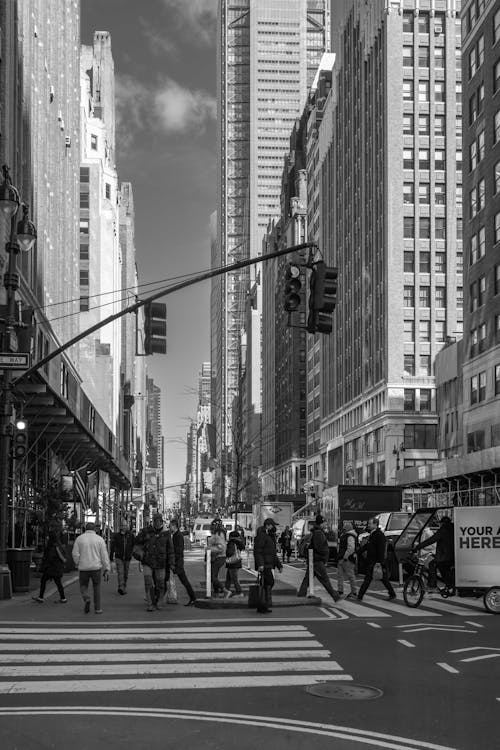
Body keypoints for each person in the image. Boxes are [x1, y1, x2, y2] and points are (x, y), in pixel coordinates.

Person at [135, 513, 175, 611]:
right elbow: (137, 543)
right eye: (154, 521)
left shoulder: (166, 534)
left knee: (160, 583)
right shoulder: (146, 531)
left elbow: (170, 549)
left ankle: (159, 601)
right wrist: (140, 555)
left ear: (161, 522)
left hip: (161, 562)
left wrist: (172, 563)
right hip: (147, 561)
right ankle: (150, 603)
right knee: (148, 582)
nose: (156, 523)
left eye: (158, 521)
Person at [297, 516, 340, 603]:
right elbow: (319, 547)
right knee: (325, 579)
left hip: (314, 559)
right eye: (325, 523)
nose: (326, 524)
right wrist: (325, 555)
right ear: (321, 523)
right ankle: (335, 596)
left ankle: (301, 595)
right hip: (317, 560)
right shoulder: (319, 533)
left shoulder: (316, 532)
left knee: (307, 579)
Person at [72, 521, 111, 614]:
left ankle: (86, 598)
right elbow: (104, 555)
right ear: (95, 529)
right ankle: (98, 608)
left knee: (83, 585)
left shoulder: (79, 539)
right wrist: (107, 568)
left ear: (85, 529)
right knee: (97, 587)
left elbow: (75, 553)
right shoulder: (100, 539)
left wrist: (77, 562)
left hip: (84, 568)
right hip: (96, 568)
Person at [357, 517, 396, 601]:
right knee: (383, 578)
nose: (368, 525)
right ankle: (392, 593)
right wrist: (359, 552)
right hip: (373, 560)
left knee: (368, 578)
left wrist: (379, 561)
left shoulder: (379, 535)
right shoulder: (373, 533)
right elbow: (368, 545)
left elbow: (381, 549)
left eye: (370, 524)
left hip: (375, 561)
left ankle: (360, 596)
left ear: (375, 524)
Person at [414, 515, 455, 589]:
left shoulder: (443, 530)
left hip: (445, 556)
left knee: (433, 564)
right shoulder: (453, 528)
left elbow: (431, 540)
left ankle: (433, 584)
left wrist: (418, 547)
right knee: (445, 569)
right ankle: (449, 584)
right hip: (453, 555)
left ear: (442, 523)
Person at [253, 518, 283, 613]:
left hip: (268, 563)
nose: (273, 527)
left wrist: (279, 565)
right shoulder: (262, 535)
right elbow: (258, 551)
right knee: (269, 582)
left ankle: (264, 604)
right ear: (268, 525)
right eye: (272, 525)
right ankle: (263, 604)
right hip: (265, 564)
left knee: (267, 584)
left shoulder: (269, 536)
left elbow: (272, 552)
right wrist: (260, 564)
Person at [32, 530, 67, 604]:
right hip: (57, 568)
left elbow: (50, 557)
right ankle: (63, 598)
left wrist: (45, 566)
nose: (47, 538)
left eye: (48, 536)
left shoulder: (52, 547)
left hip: (51, 568)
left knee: (43, 581)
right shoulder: (58, 545)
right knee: (58, 582)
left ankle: (41, 597)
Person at [170, 518, 196, 606]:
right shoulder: (175, 535)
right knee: (166, 579)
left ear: (174, 526)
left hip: (178, 562)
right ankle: (157, 596)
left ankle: (193, 597)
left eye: (171, 526)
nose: (170, 527)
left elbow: (179, 550)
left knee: (184, 581)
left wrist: (174, 560)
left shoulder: (178, 536)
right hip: (176, 561)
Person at [206, 519, 231, 597]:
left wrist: (209, 549)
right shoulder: (220, 533)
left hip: (219, 557)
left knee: (213, 577)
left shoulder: (218, 534)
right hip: (218, 557)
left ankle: (225, 591)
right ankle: (216, 594)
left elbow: (221, 547)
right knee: (214, 576)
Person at [110, 520, 135, 595]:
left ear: (127, 526)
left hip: (127, 557)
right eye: (122, 525)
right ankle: (121, 587)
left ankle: (123, 587)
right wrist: (111, 556)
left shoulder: (131, 535)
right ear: (120, 526)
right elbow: (112, 546)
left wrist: (133, 553)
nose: (124, 527)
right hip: (119, 557)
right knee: (120, 572)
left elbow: (134, 545)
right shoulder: (116, 536)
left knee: (125, 574)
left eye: (125, 525)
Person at [336, 521, 358, 600]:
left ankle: (353, 592)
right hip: (344, 558)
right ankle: (341, 590)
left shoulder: (350, 536)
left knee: (350, 576)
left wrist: (345, 556)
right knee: (341, 576)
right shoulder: (348, 535)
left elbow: (351, 548)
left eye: (344, 528)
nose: (343, 530)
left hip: (347, 559)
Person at [225, 529, 246, 598]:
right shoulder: (238, 542)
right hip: (236, 562)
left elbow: (230, 552)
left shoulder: (231, 543)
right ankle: (226, 591)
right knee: (228, 578)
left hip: (232, 563)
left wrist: (226, 552)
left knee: (234, 578)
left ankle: (239, 592)